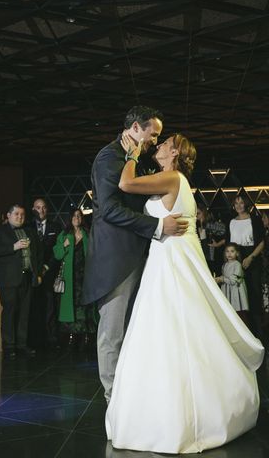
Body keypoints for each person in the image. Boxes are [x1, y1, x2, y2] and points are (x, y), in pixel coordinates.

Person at [105, 132, 264, 454]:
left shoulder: (173, 178)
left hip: (172, 261)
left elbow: (125, 184)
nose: (158, 145)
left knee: (175, 328)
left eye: (164, 143)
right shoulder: (170, 179)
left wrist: (133, 154)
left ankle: (185, 417)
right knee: (167, 330)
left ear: (175, 152)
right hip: (166, 256)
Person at [82, 105, 188, 404]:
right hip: (115, 258)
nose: (156, 140)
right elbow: (111, 210)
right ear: (136, 128)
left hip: (138, 254)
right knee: (112, 331)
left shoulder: (136, 159)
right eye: (153, 134)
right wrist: (157, 225)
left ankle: (133, 392)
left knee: (134, 327)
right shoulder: (109, 157)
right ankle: (114, 399)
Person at [0, 204, 42, 358]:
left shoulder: (30, 231)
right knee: (10, 312)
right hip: (8, 279)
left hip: (27, 277)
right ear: (8, 215)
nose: (20, 217)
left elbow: (38, 253)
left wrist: (38, 273)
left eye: (22, 215)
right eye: (16, 214)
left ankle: (22, 344)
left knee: (25, 313)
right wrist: (14, 246)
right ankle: (9, 345)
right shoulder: (0, 231)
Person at [53, 208, 93, 347]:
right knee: (72, 305)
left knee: (85, 304)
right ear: (70, 218)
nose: (77, 218)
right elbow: (57, 255)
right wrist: (63, 246)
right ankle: (72, 334)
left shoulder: (88, 234)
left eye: (79, 215)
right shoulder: (64, 234)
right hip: (70, 277)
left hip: (86, 276)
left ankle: (86, 334)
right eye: (74, 216)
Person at [227, 195, 266, 337]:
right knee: (238, 294)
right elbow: (228, 244)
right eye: (236, 203)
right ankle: (242, 330)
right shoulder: (231, 222)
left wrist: (251, 257)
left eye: (241, 202)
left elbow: (262, 242)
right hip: (236, 258)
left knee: (254, 293)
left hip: (252, 256)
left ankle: (258, 331)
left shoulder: (255, 219)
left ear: (246, 204)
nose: (239, 205)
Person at [30, 198, 62, 349]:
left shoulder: (56, 226)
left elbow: (57, 251)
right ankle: (36, 338)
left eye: (43, 207)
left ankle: (51, 338)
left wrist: (47, 267)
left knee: (50, 306)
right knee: (33, 305)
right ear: (33, 209)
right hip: (32, 273)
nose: (41, 210)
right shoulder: (28, 227)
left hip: (49, 272)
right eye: (38, 208)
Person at [215, 243, 249, 320]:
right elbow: (225, 277)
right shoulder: (224, 265)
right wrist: (219, 279)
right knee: (230, 314)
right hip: (228, 293)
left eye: (232, 251)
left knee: (239, 315)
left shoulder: (237, 265)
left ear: (237, 253)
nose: (229, 253)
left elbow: (234, 280)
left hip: (236, 293)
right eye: (227, 251)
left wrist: (222, 279)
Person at [196, 205, 225, 275]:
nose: (196, 216)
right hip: (201, 257)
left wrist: (218, 244)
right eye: (195, 213)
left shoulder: (211, 224)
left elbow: (224, 231)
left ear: (204, 213)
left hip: (212, 256)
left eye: (198, 213)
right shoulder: (195, 225)